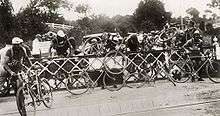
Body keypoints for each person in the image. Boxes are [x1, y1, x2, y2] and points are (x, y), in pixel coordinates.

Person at [1, 37, 32, 116]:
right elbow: (5, 64)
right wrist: (11, 72)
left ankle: (24, 97)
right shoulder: (9, 51)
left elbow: (26, 58)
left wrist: (31, 66)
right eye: (16, 45)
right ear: (13, 45)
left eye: (18, 45)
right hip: (11, 71)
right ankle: (20, 101)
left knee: (23, 82)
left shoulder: (22, 50)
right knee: (16, 88)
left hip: (19, 70)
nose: (17, 46)